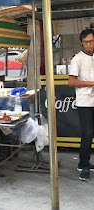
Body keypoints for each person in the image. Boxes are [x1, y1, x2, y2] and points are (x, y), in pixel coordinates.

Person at [68, 28, 94, 181]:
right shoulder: (77, 58)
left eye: (91, 41)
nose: (89, 45)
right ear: (81, 43)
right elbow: (71, 82)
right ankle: (83, 165)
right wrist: (92, 83)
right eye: (86, 42)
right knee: (87, 134)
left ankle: (85, 162)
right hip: (84, 102)